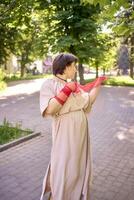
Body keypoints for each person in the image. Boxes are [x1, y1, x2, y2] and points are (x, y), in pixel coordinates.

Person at [39, 53, 107, 200]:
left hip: (81, 136)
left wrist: (98, 84)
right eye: (74, 67)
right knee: (63, 166)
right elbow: (50, 109)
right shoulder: (49, 84)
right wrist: (67, 90)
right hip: (65, 133)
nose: (75, 70)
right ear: (66, 67)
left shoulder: (74, 86)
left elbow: (88, 101)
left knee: (78, 167)